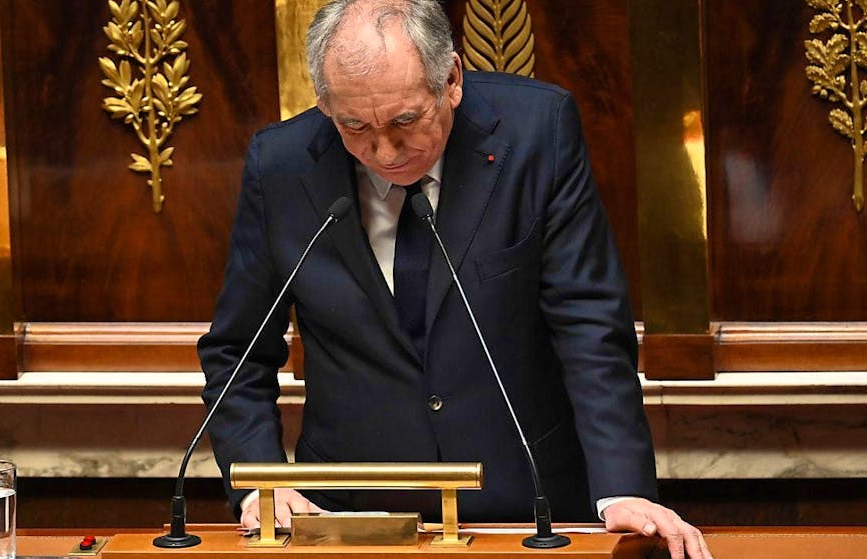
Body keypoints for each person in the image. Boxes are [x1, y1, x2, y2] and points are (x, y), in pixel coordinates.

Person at [199, 1, 711, 558]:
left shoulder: (537, 133)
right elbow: (238, 350)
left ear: (452, 80)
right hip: (350, 518)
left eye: (404, 121)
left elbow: (589, 327)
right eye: (354, 127)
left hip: (528, 511)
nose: (384, 152)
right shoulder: (281, 165)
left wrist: (621, 488)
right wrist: (261, 484)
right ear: (324, 103)